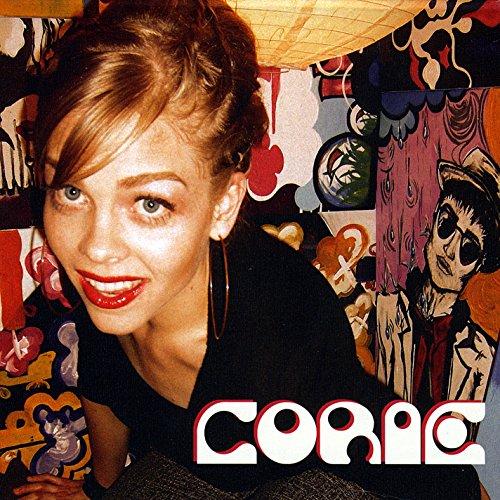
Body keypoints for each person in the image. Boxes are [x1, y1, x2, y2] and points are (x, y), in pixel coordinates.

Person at [13, 0, 487, 498]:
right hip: (189, 462)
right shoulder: (108, 270)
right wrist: (99, 489)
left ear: (224, 204)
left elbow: (415, 461)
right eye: (72, 191)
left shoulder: (282, 354)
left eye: (150, 203)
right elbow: (104, 374)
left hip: (304, 472)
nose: (95, 247)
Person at [377, 148, 498, 426]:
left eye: (468, 248)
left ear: (479, 265)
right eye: (447, 225)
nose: (450, 249)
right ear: (433, 220)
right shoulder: (384, 312)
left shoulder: (482, 358)